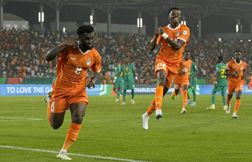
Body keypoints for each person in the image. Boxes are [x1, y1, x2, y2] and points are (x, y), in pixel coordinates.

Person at [46, 25, 102, 160]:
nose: (90, 41)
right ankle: (49, 100)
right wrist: (64, 44)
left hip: (79, 91)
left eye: (92, 38)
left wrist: (93, 80)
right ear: (80, 38)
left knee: (78, 117)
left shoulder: (94, 54)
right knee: (55, 125)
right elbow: (48, 57)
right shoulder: (68, 49)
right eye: (87, 38)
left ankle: (64, 151)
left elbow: (97, 72)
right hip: (60, 90)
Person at [142, 7, 190, 130]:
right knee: (161, 76)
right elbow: (151, 48)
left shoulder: (184, 30)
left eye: (178, 15)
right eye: (173, 15)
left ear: (180, 17)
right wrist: (156, 34)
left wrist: (163, 35)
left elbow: (177, 47)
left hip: (174, 65)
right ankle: (158, 109)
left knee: (162, 93)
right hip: (162, 59)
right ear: (169, 17)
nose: (175, 17)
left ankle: (146, 115)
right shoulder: (164, 29)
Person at [224, 50, 248, 118]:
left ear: (241, 55)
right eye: (236, 54)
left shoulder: (244, 64)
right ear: (234, 55)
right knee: (229, 96)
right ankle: (228, 106)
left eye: (239, 54)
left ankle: (234, 113)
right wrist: (232, 74)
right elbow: (224, 73)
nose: (237, 56)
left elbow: (244, 71)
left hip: (239, 83)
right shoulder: (229, 63)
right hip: (231, 83)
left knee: (238, 95)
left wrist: (243, 78)